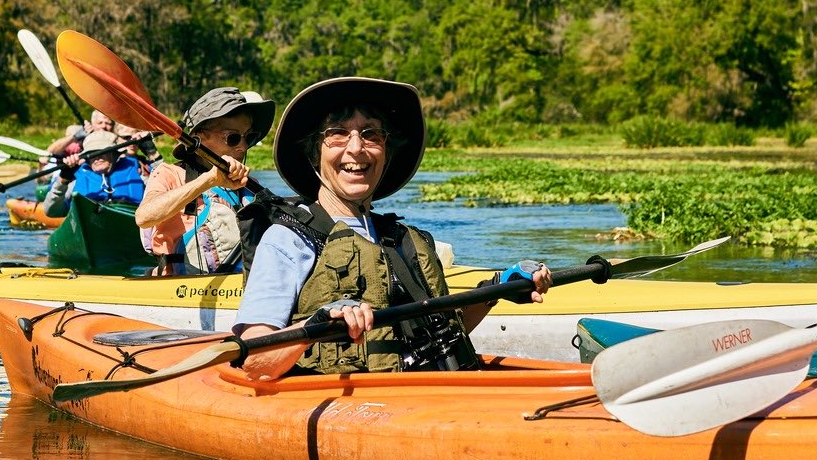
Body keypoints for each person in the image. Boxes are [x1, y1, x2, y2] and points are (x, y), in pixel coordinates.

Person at [234, 76, 550, 377]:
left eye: (371, 134)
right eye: (338, 133)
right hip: (355, 412)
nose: (356, 148)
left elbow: (437, 336)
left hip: (430, 399)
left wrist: (496, 288)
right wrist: (318, 323)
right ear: (314, 153)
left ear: (386, 153)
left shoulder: (403, 239)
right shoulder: (288, 240)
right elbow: (256, 361)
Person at [136, 87, 275, 273]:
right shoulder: (169, 174)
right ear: (199, 138)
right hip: (179, 288)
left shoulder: (250, 186)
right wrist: (208, 180)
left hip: (240, 288)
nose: (242, 146)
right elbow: (144, 217)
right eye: (232, 138)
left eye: (249, 137)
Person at [42, 130, 147, 217]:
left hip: (130, 222)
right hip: (90, 221)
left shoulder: (137, 171)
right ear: (86, 158)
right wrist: (63, 179)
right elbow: (51, 212)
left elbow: (161, 193)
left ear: (115, 154)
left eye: (102, 152)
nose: (97, 158)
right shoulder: (76, 177)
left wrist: (151, 152)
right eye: (91, 154)